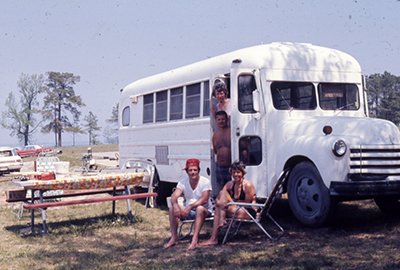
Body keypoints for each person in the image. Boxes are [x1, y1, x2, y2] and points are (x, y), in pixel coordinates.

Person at [200, 161, 256, 246]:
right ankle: (220, 223)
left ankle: (213, 238)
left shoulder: (247, 185)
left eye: (238, 172)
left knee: (220, 206)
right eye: (234, 172)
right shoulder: (231, 184)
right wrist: (220, 204)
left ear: (243, 173)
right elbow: (217, 199)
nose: (236, 174)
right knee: (222, 194)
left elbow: (246, 204)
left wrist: (227, 203)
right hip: (236, 208)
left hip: (248, 212)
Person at [164, 158, 213, 250]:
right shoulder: (183, 182)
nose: (192, 172)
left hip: (204, 211)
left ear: (199, 171)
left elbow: (204, 199)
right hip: (189, 211)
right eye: (190, 170)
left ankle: (195, 239)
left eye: (195, 170)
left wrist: (190, 207)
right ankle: (174, 238)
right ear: (186, 172)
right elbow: (174, 197)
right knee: (171, 208)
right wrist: (175, 206)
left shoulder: (205, 181)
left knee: (199, 208)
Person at [212, 110, 231, 188]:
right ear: (216, 121)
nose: (221, 121)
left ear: (227, 119)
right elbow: (215, 150)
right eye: (219, 119)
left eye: (223, 119)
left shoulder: (232, 131)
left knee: (232, 188)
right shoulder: (215, 135)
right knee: (223, 189)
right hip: (219, 166)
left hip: (231, 166)